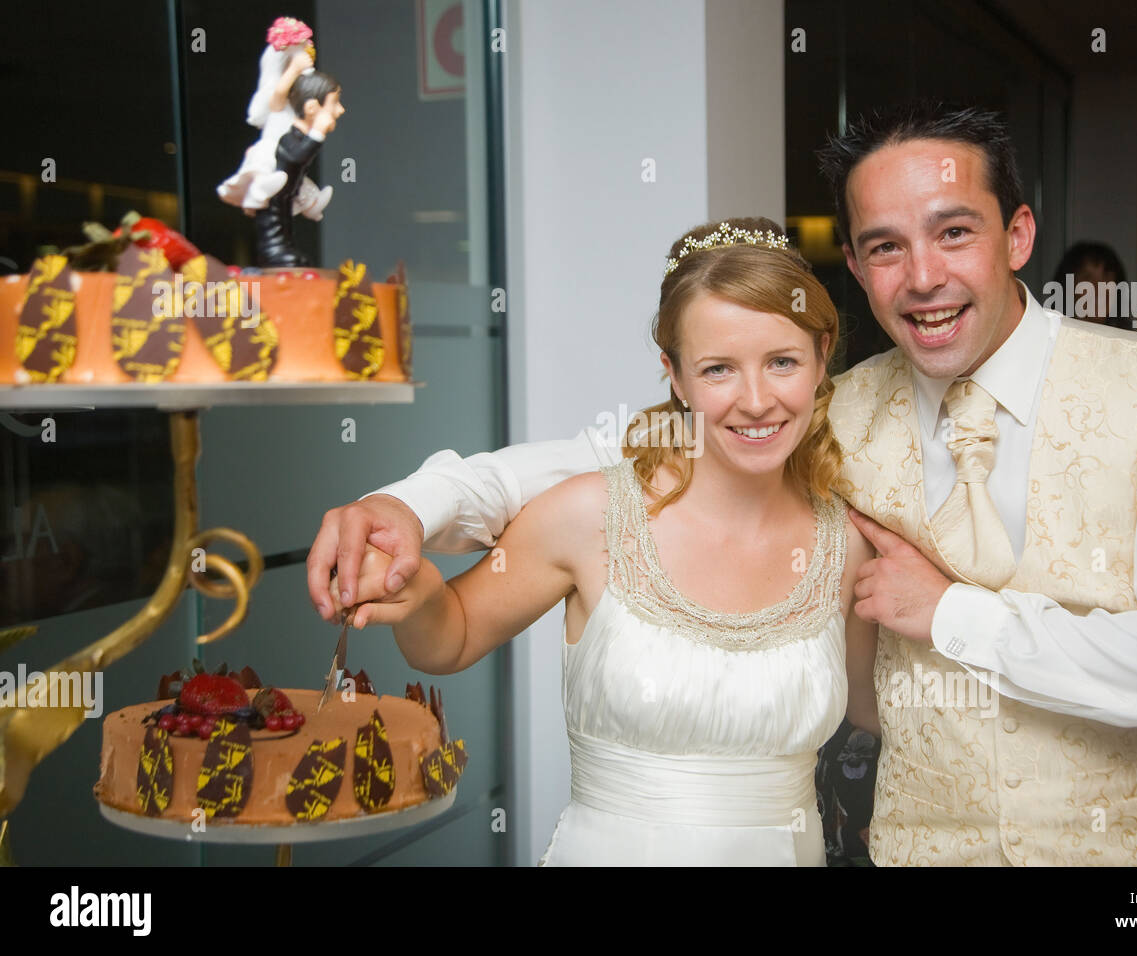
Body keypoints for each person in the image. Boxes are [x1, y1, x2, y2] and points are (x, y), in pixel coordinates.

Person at [309, 102, 1137, 866]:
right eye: (887, 246)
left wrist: (952, 616)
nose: (923, 276)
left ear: (1019, 234)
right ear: (855, 266)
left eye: (954, 232)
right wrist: (411, 504)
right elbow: (605, 463)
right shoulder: (826, 410)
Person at [322, 218, 878, 865]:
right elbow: (450, 636)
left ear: (821, 355)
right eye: (718, 368)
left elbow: (874, 708)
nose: (756, 400)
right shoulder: (591, 512)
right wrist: (416, 596)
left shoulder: (848, 543)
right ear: (675, 375)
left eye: (782, 362)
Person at [217, 17, 333, 221]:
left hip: (289, 142)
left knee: (296, 177)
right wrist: (294, 69)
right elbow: (277, 99)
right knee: (267, 163)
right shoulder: (277, 91)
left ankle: (311, 203)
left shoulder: (295, 95)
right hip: (275, 142)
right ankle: (259, 191)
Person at [253, 72, 344, 267]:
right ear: (311, 108)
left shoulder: (298, 137)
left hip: (285, 201)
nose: (340, 110)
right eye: (334, 103)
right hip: (273, 202)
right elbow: (295, 158)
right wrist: (317, 132)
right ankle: (274, 248)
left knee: (284, 214)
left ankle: (283, 245)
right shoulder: (287, 139)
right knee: (275, 213)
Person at [1048, 240, 1130, 328]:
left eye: (1106, 278)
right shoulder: (1053, 335)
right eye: (1088, 278)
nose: (1100, 287)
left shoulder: (1128, 340)